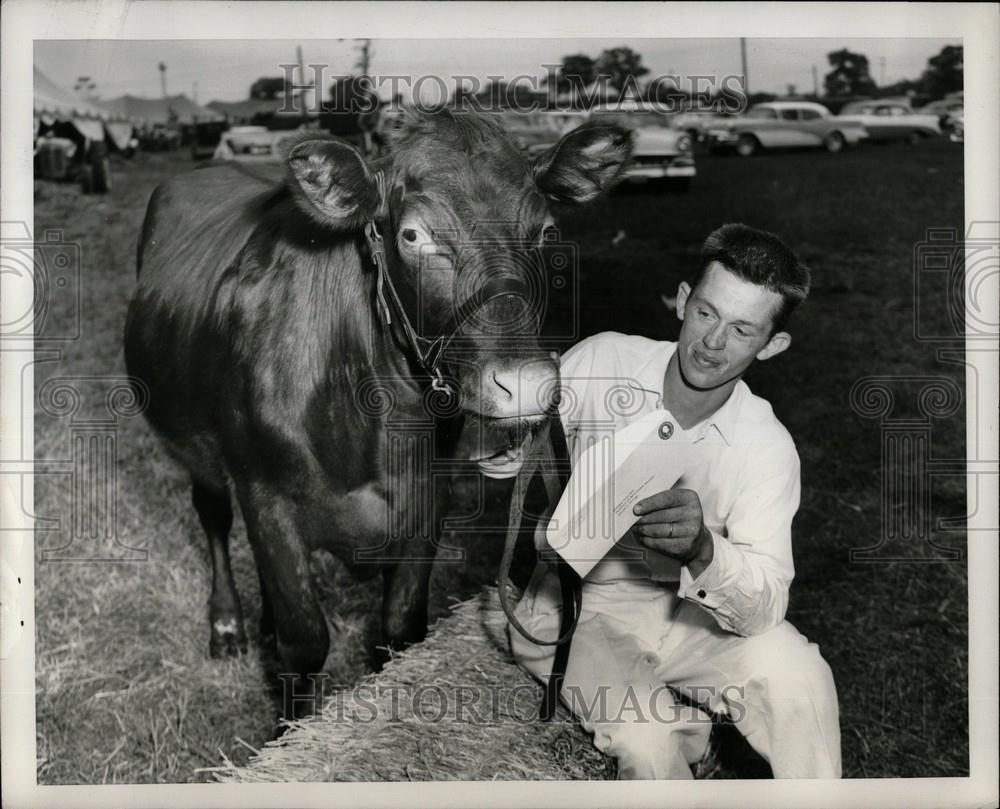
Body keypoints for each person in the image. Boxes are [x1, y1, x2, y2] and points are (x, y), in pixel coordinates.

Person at [509, 223, 842, 780]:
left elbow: (764, 604)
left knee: (802, 678)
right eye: (707, 313)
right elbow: (507, 452)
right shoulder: (603, 361)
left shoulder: (766, 445)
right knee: (649, 737)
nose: (713, 342)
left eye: (742, 330)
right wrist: (506, 428)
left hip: (689, 617)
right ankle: (686, 745)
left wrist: (704, 550)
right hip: (579, 608)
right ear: (683, 301)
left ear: (772, 345)